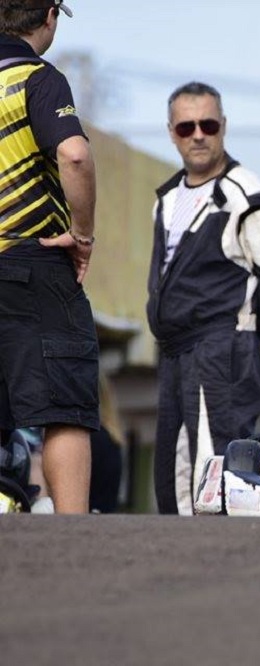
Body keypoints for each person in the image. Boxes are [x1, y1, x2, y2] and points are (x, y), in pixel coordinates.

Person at [146, 81, 260, 515]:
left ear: (224, 126)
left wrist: (243, 335)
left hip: (221, 349)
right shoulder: (166, 198)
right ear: (172, 132)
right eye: (186, 127)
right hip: (174, 352)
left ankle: (224, 556)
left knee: (216, 473)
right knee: (173, 476)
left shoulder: (246, 195)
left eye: (208, 125)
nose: (198, 135)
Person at [0, 0, 96, 514]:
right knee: (64, 405)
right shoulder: (36, 78)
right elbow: (74, 154)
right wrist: (83, 234)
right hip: (30, 257)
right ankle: (72, 534)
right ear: (50, 16)